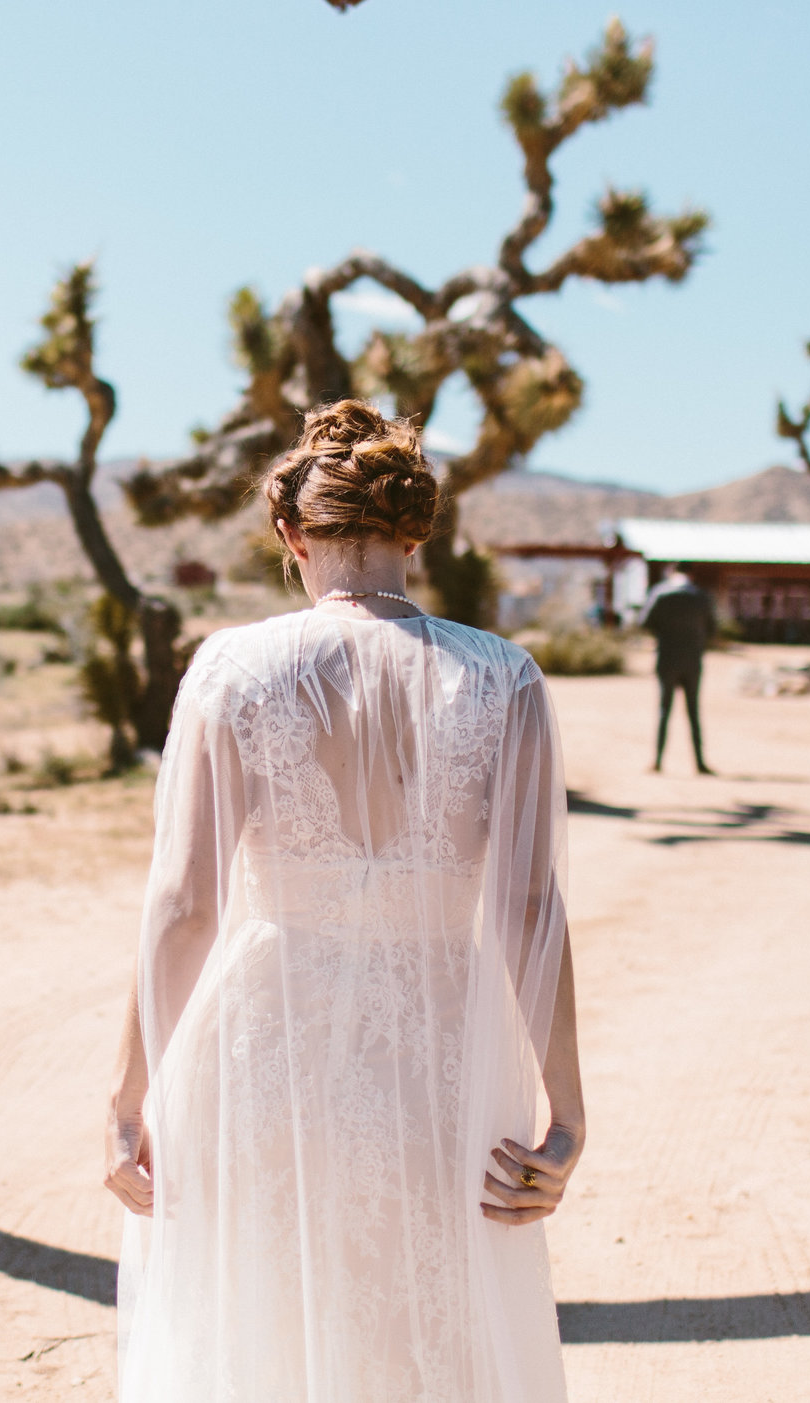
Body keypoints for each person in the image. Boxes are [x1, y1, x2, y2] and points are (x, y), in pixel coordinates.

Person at [107, 400, 583, 1403]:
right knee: (429, 1314)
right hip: (440, 1038)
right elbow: (531, 905)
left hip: (263, 1038)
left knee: (265, 1315)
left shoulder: (233, 670)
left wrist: (124, 1096)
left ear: (291, 536)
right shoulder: (506, 679)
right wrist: (566, 1113)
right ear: (417, 530)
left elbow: (185, 902)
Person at [641, 567, 716, 774]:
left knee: (664, 710)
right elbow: (712, 628)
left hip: (666, 658)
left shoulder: (661, 594)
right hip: (693, 660)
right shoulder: (700, 596)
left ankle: (657, 760)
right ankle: (699, 762)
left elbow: (645, 622)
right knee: (693, 712)